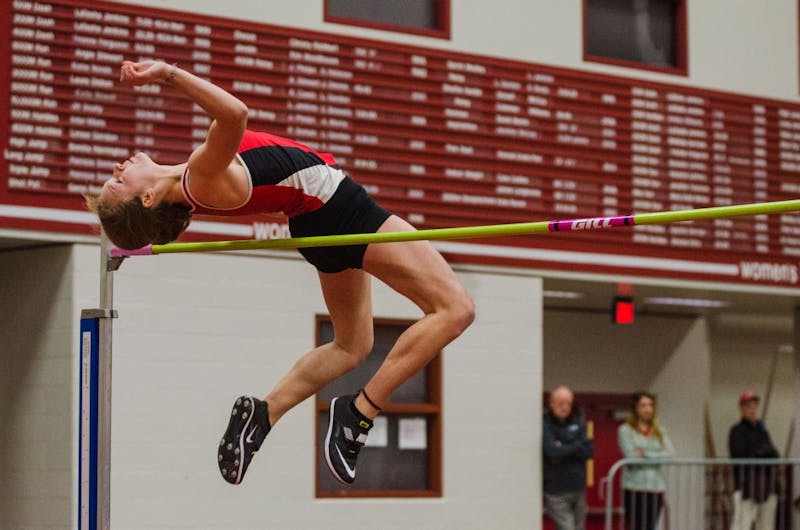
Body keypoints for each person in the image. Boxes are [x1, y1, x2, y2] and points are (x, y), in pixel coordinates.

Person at [86, 60, 475, 485]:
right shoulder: (201, 175)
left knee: (351, 345)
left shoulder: (194, 176)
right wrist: (167, 75)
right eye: (116, 183)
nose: (118, 169)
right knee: (455, 310)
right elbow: (235, 113)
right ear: (145, 199)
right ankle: (359, 413)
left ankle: (263, 415)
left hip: (315, 224)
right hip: (339, 210)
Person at [617, 391, 674, 530]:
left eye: (650, 405)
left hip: (656, 488)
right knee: (636, 526)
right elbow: (631, 457)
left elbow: (671, 454)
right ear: (636, 409)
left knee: (651, 526)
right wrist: (658, 454)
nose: (648, 409)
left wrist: (645, 454)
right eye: (643, 405)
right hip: (634, 488)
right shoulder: (625, 430)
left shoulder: (660, 431)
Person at [542, 386, 594, 530]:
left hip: (578, 488)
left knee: (579, 527)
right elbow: (552, 452)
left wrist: (564, 446)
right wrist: (577, 445)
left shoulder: (577, 422)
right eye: (561, 403)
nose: (565, 407)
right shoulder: (545, 424)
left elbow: (589, 451)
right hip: (556, 492)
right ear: (552, 403)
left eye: (568, 403)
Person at [728, 390, 779, 530]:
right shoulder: (736, 431)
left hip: (766, 486)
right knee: (741, 525)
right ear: (741, 408)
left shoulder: (763, 431)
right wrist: (762, 451)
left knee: (767, 526)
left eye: (755, 405)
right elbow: (740, 454)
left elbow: (775, 455)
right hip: (745, 486)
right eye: (748, 406)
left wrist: (760, 451)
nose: (752, 409)